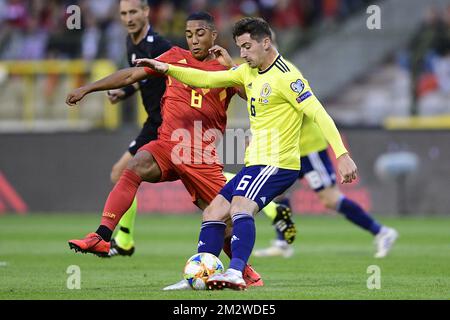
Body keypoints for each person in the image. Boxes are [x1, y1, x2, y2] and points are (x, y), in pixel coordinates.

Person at [138, 17, 358, 290]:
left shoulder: (288, 77)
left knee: (241, 206)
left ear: (266, 43)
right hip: (256, 163)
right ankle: (201, 274)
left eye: (246, 46)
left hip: (278, 163)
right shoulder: (247, 72)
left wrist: (342, 154)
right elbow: (207, 77)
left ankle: (235, 272)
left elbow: (319, 114)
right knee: (214, 212)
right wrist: (166, 68)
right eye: (239, 47)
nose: (241, 53)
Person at [66, 12, 263, 289]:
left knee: (223, 218)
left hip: (199, 155)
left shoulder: (226, 70)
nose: (194, 40)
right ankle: (102, 236)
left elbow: (252, 95)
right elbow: (132, 74)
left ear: (213, 36)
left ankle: (245, 272)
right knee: (132, 168)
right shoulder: (173, 56)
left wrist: (231, 67)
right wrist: (89, 88)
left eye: (200, 33)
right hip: (167, 145)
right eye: (189, 34)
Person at [254, 115, 398, 259]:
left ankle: (382, 232)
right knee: (278, 193)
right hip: (286, 150)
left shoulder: (291, 91)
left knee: (330, 199)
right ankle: (282, 244)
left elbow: (299, 113)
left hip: (308, 149)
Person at [104, 0, 172, 256]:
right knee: (118, 172)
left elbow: (180, 74)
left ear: (146, 12)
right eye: (123, 13)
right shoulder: (131, 42)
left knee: (203, 184)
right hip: (153, 123)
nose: (128, 18)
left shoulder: (160, 46)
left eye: (133, 12)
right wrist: (125, 90)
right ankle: (124, 240)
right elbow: (143, 76)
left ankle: (123, 240)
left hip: (168, 124)